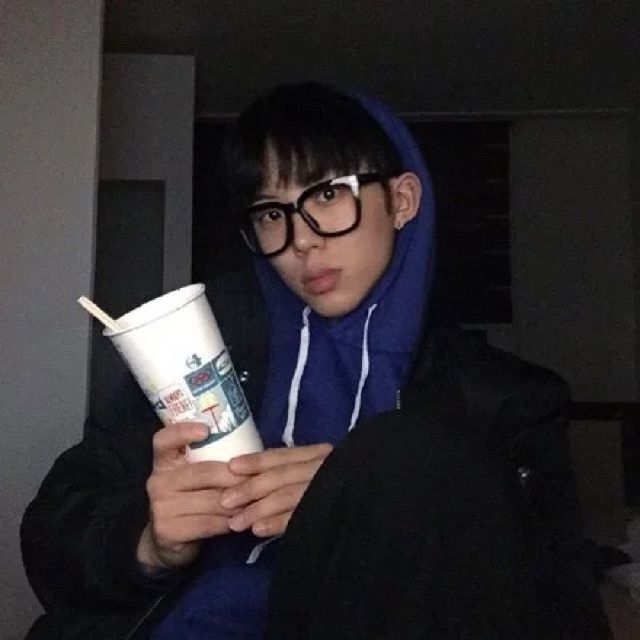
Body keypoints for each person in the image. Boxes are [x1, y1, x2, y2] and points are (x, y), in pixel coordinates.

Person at [21, 82, 611, 639]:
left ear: (402, 200)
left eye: (327, 195)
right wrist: (148, 542)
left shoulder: (504, 400)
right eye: (270, 213)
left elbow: (557, 607)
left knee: (409, 453)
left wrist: (369, 498)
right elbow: (52, 529)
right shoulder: (202, 350)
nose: (301, 239)